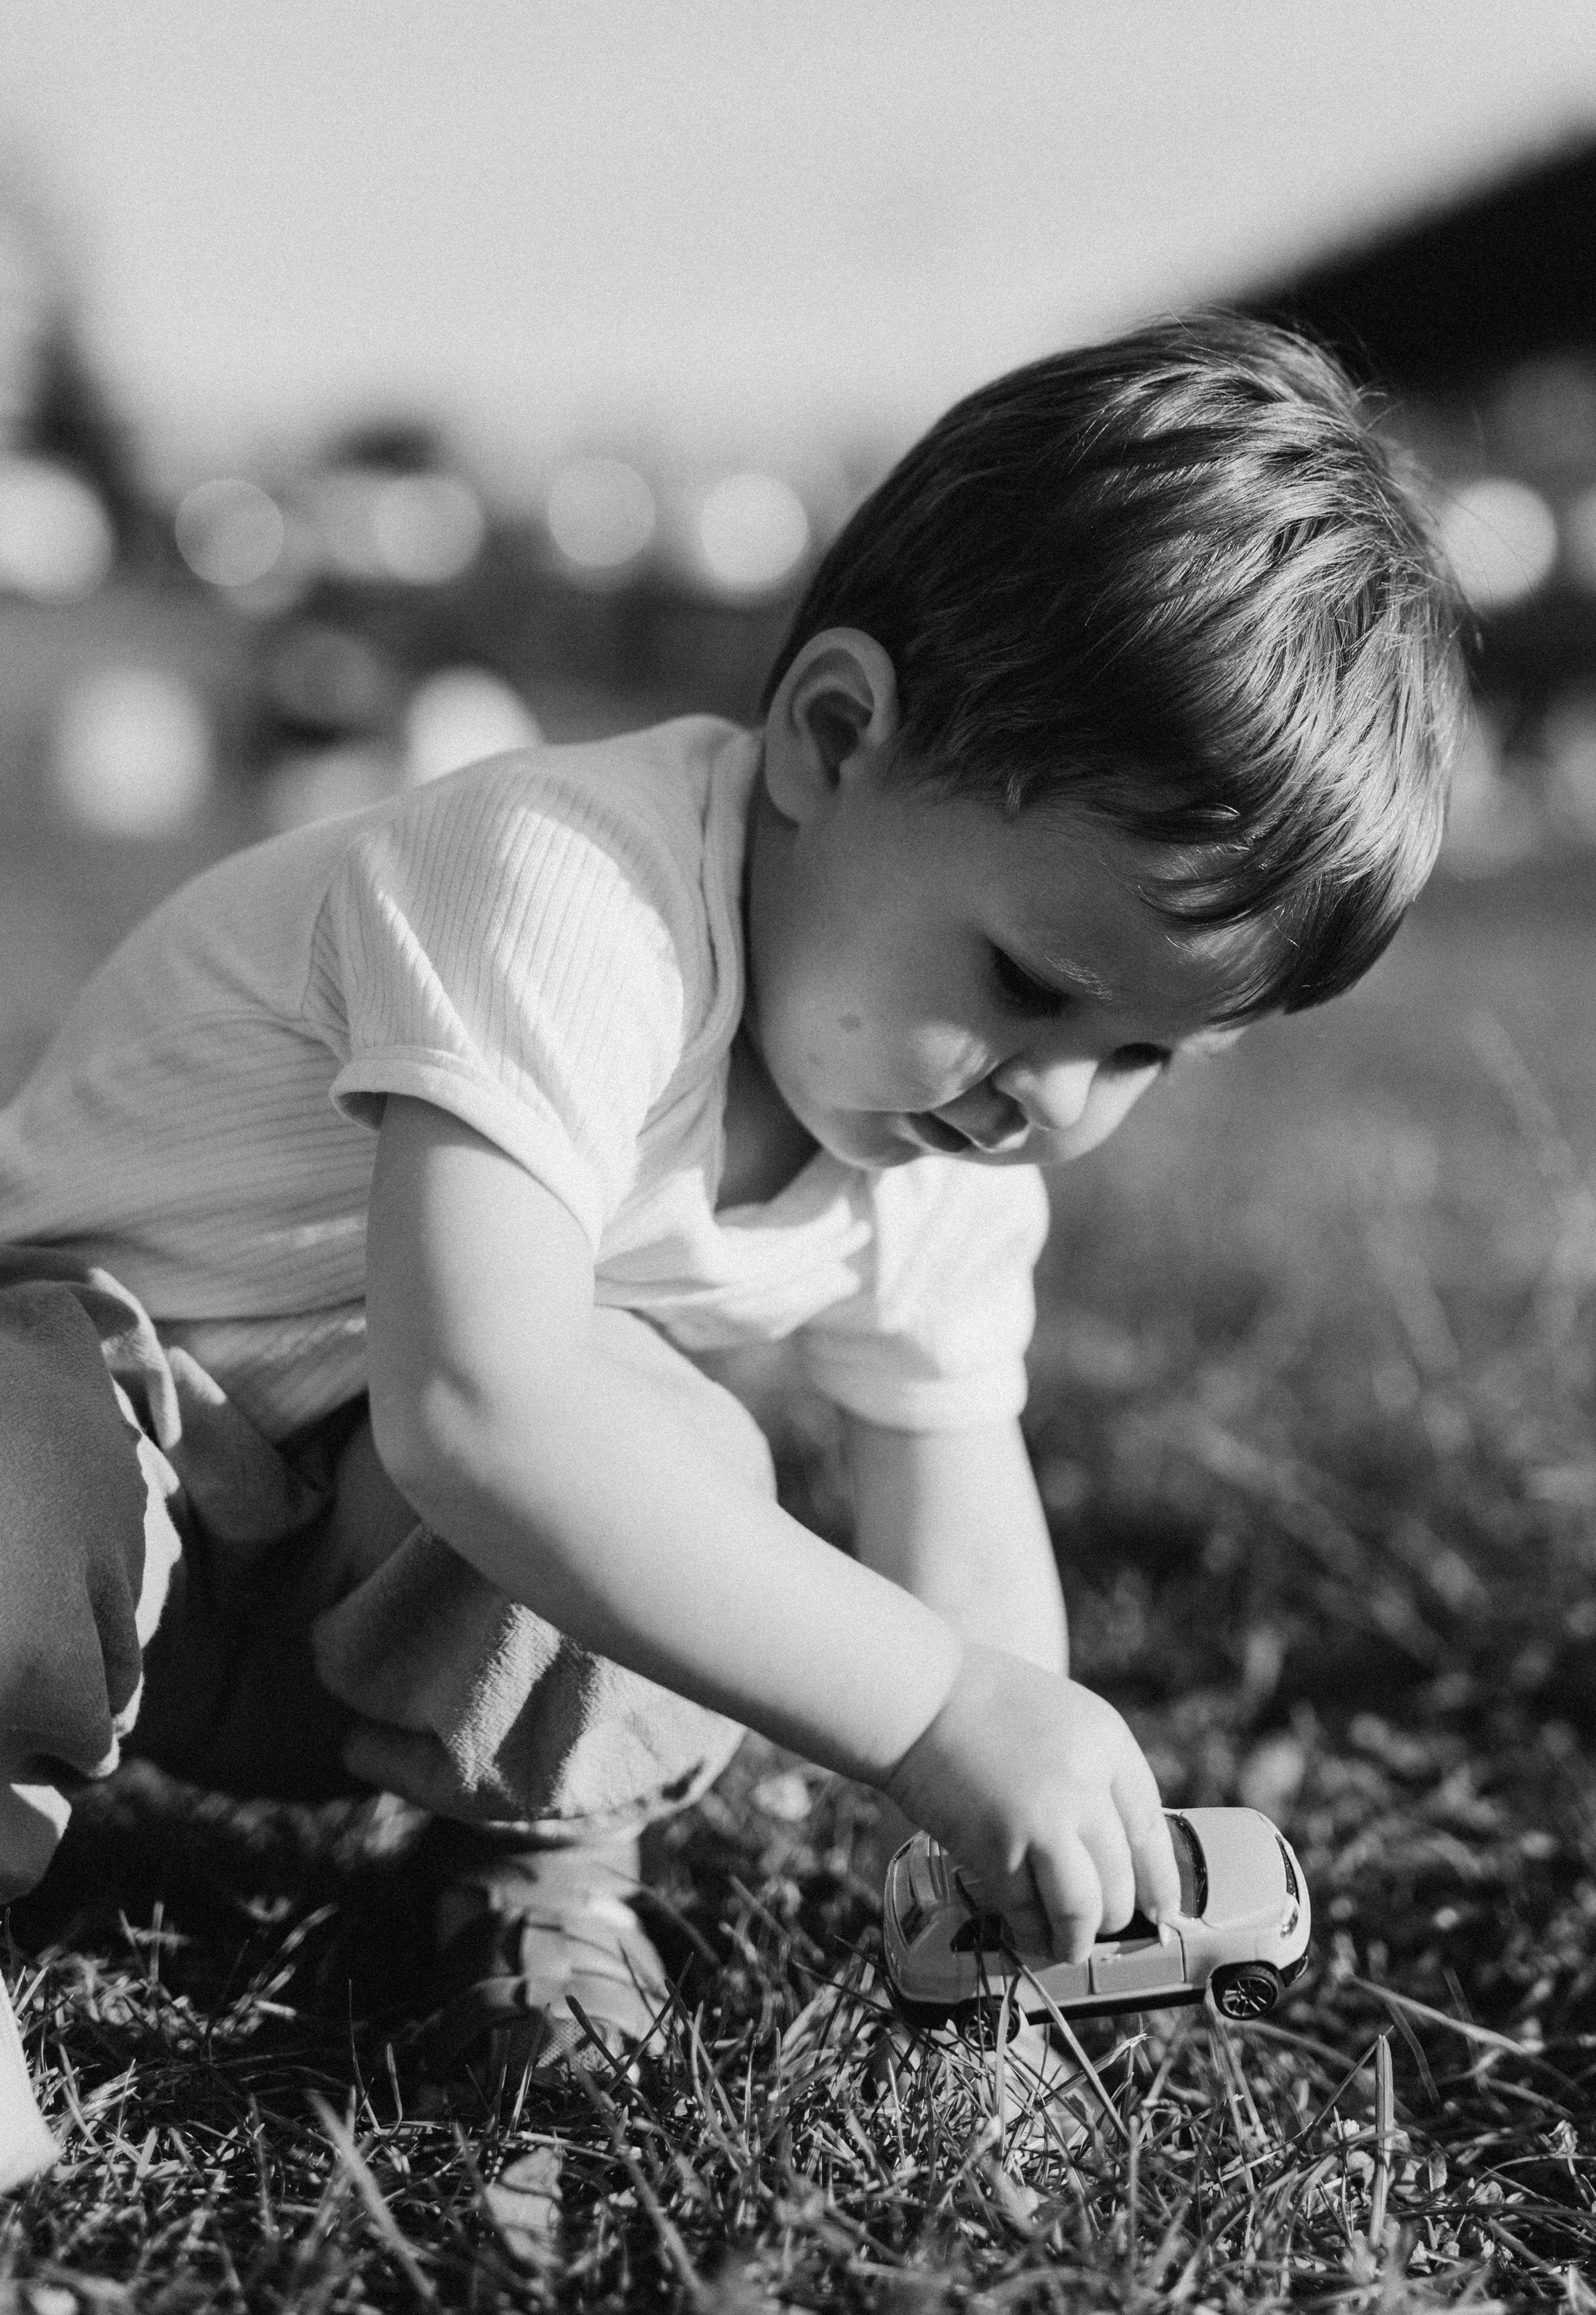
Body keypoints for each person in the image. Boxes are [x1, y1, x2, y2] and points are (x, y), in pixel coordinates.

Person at [0, 311, 1464, 2114]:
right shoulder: (561, 887)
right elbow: (480, 1412)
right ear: (831, 736)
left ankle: (529, 1869)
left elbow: (961, 1535)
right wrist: (925, 1712)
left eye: (1143, 1057)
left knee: (666, 1452)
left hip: (322, 1605)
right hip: (91, 1434)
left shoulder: (934, 1143)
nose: (1054, 1103)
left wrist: (1018, 1851)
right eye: (1024, 981)